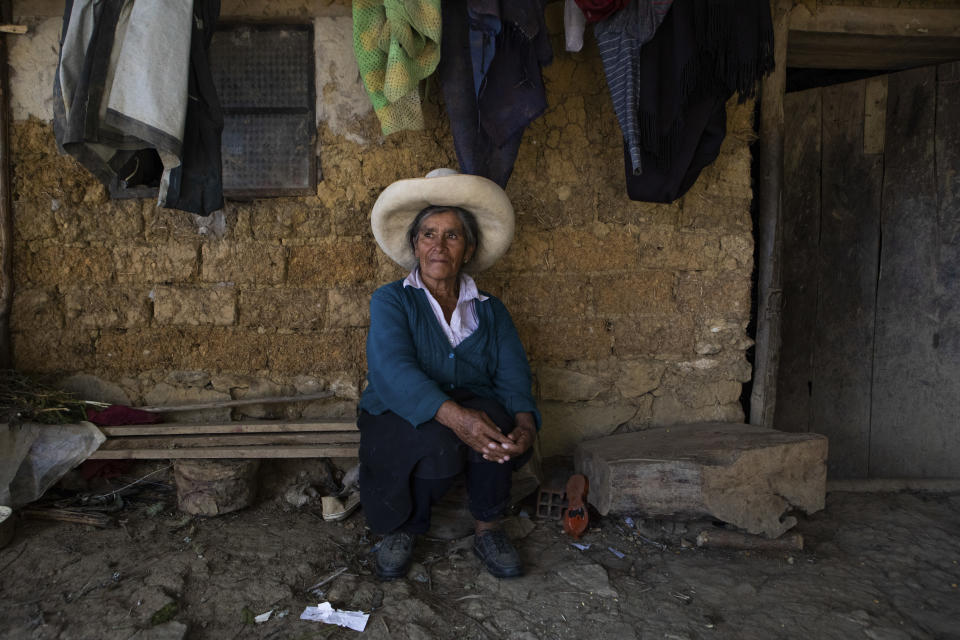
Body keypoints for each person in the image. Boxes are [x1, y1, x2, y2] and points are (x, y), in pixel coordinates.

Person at [358, 168, 541, 580]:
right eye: (429, 234)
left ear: (469, 249)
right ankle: (403, 527)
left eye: (452, 235)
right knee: (437, 441)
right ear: (415, 245)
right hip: (395, 410)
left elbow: (513, 376)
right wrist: (457, 417)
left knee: (497, 427)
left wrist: (526, 426)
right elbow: (392, 370)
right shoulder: (391, 301)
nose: (439, 246)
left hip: (470, 405)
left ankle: (489, 527)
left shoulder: (490, 309)